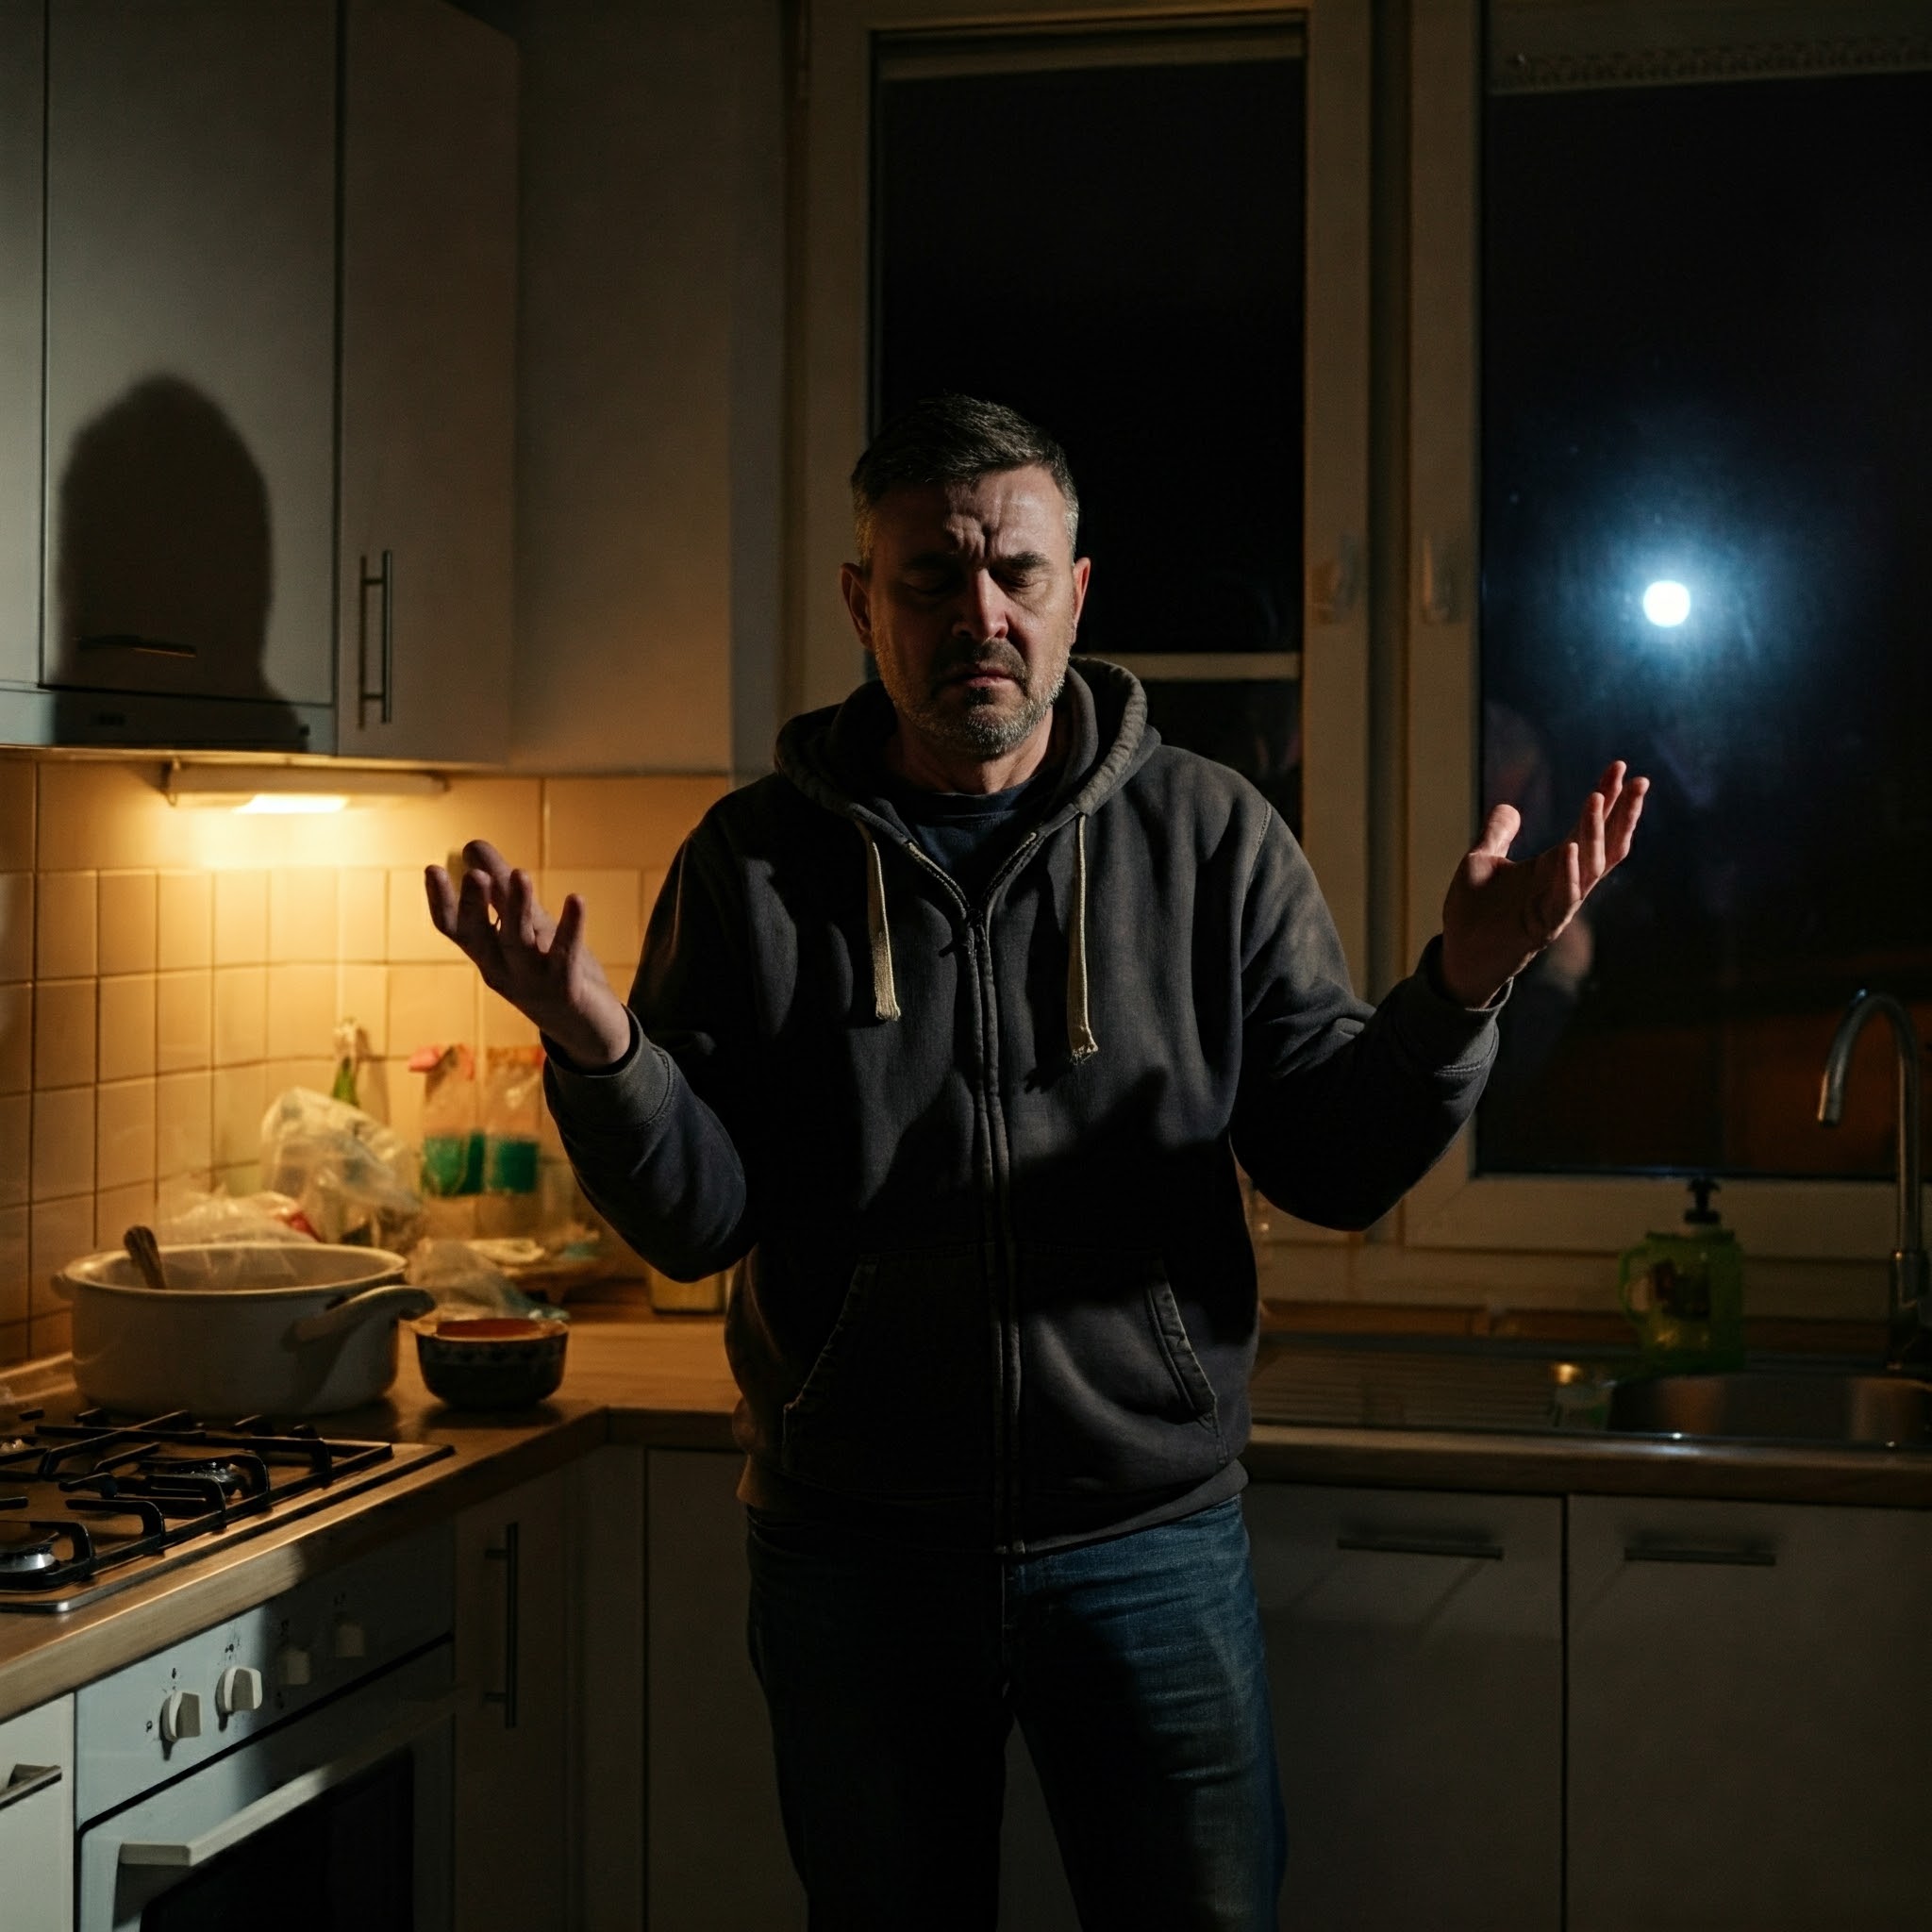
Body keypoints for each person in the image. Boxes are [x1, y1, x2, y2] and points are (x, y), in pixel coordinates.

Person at [425, 395, 1646, 1930]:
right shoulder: (750, 865)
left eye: (1015, 571)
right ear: (865, 601)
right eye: (931, 578)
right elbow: (699, 1220)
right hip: (853, 1556)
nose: (977, 615)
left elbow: (1333, 1163)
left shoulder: (1214, 838)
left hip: (1148, 1548)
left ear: (1078, 593)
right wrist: (602, 1051)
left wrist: (1457, 992)